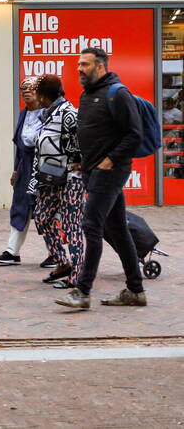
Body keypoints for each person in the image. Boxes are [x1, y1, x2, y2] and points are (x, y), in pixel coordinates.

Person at [56, 47, 147, 310]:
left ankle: (82, 292)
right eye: (78, 64)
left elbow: (134, 135)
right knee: (118, 230)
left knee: (91, 226)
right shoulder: (89, 94)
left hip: (109, 172)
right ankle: (136, 290)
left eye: (84, 64)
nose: (79, 69)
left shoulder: (117, 94)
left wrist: (109, 161)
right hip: (93, 170)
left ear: (100, 66)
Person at [28, 75, 85, 289]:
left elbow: (82, 142)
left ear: (43, 96)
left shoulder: (68, 113)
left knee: (72, 226)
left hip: (71, 177)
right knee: (42, 217)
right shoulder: (48, 114)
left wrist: (79, 163)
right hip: (50, 177)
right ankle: (62, 262)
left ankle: (77, 275)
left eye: (36, 93)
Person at [0, 78, 53, 267]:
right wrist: (15, 169)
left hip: (43, 166)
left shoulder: (48, 114)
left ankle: (55, 252)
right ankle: (12, 251)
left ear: (40, 92)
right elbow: (20, 147)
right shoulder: (23, 114)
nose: (26, 92)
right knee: (19, 206)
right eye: (23, 89)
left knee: (45, 209)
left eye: (31, 88)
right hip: (25, 166)